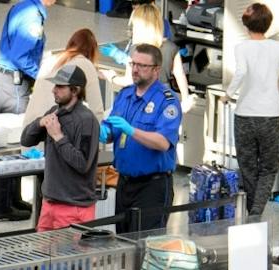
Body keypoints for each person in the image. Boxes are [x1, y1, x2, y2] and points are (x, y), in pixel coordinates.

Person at [224, 6, 279, 219]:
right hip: (269, 115)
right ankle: (256, 211)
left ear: (245, 24)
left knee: (247, 166)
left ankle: (253, 212)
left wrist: (228, 94)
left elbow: (241, 72)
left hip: (244, 115)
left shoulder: (241, 47)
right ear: (268, 24)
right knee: (269, 167)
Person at [107, 43, 182, 233]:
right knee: (123, 241)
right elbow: (112, 130)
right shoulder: (125, 95)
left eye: (142, 66)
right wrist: (103, 132)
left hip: (152, 186)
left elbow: (163, 142)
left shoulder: (167, 100)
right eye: (133, 64)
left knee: (145, 243)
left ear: (156, 70)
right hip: (124, 183)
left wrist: (131, 131)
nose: (135, 69)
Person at [20, 64, 101, 231]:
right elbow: (26, 140)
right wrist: (39, 123)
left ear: (75, 90)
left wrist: (58, 137)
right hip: (49, 204)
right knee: (42, 248)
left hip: (74, 207)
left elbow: (83, 164)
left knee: (69, 250)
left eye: (60, 86)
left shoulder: (87, 121)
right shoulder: (54, 112)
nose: (54, 90)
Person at [0, 0, 47, 223]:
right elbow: (20, 56)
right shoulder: (32, 16)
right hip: (14, 85)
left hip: (7, 82)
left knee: (15, 143)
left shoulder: (24, 7)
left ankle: (13, 197)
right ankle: (1, 204)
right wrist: (42, 77)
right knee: (13, 144)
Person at [28, 27, 108, 121]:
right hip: (53, 125)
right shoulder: (86, 64)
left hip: (31, 124)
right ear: (92, 51)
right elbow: (97, 110)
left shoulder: (50, 60)